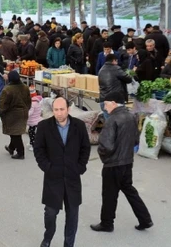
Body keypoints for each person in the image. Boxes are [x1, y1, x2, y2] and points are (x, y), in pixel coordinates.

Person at [90, 92, 153, 233]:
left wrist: (105, 158)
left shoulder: (113, 120)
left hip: (113, 164)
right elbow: (136, 140)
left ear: (113, 102)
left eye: (106, 104)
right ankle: (145, 219)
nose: (105, 107)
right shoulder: (131, 116)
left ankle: (107, 223)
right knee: (130, 190)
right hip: (127, 161)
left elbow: (106, 145)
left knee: (109, 194)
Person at [33, 97, 91, 247]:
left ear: (68, 109)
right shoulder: (44, 126)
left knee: (72, 216)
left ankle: (69, 244)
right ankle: (47, 238)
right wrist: (47, 167)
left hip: (72, 178)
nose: (59, 113)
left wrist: (80, 167)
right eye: (56, 110)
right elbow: (39, 150)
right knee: (50, 214)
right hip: (53, 178)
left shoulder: (79, 126)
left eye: (62, 109)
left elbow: (85, 147)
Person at [0, 70, 31, 160]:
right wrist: (26, 109)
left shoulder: (7, 90)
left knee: (15, 134)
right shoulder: (25, 87)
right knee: (15, 132)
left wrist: (1, 112)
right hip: (23, 112)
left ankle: (21, 152)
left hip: (12, 115)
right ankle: (11, 148)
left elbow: (3, 104)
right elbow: (29, 101)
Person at [27, 87, 43, 152]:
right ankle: (32, 143)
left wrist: (24, 115)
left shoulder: (32, 104)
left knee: (32, 133)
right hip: (36, 120)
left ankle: (33, 145)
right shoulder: (38, 102)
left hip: (33, 122)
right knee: (32, 132)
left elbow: (30, 113)